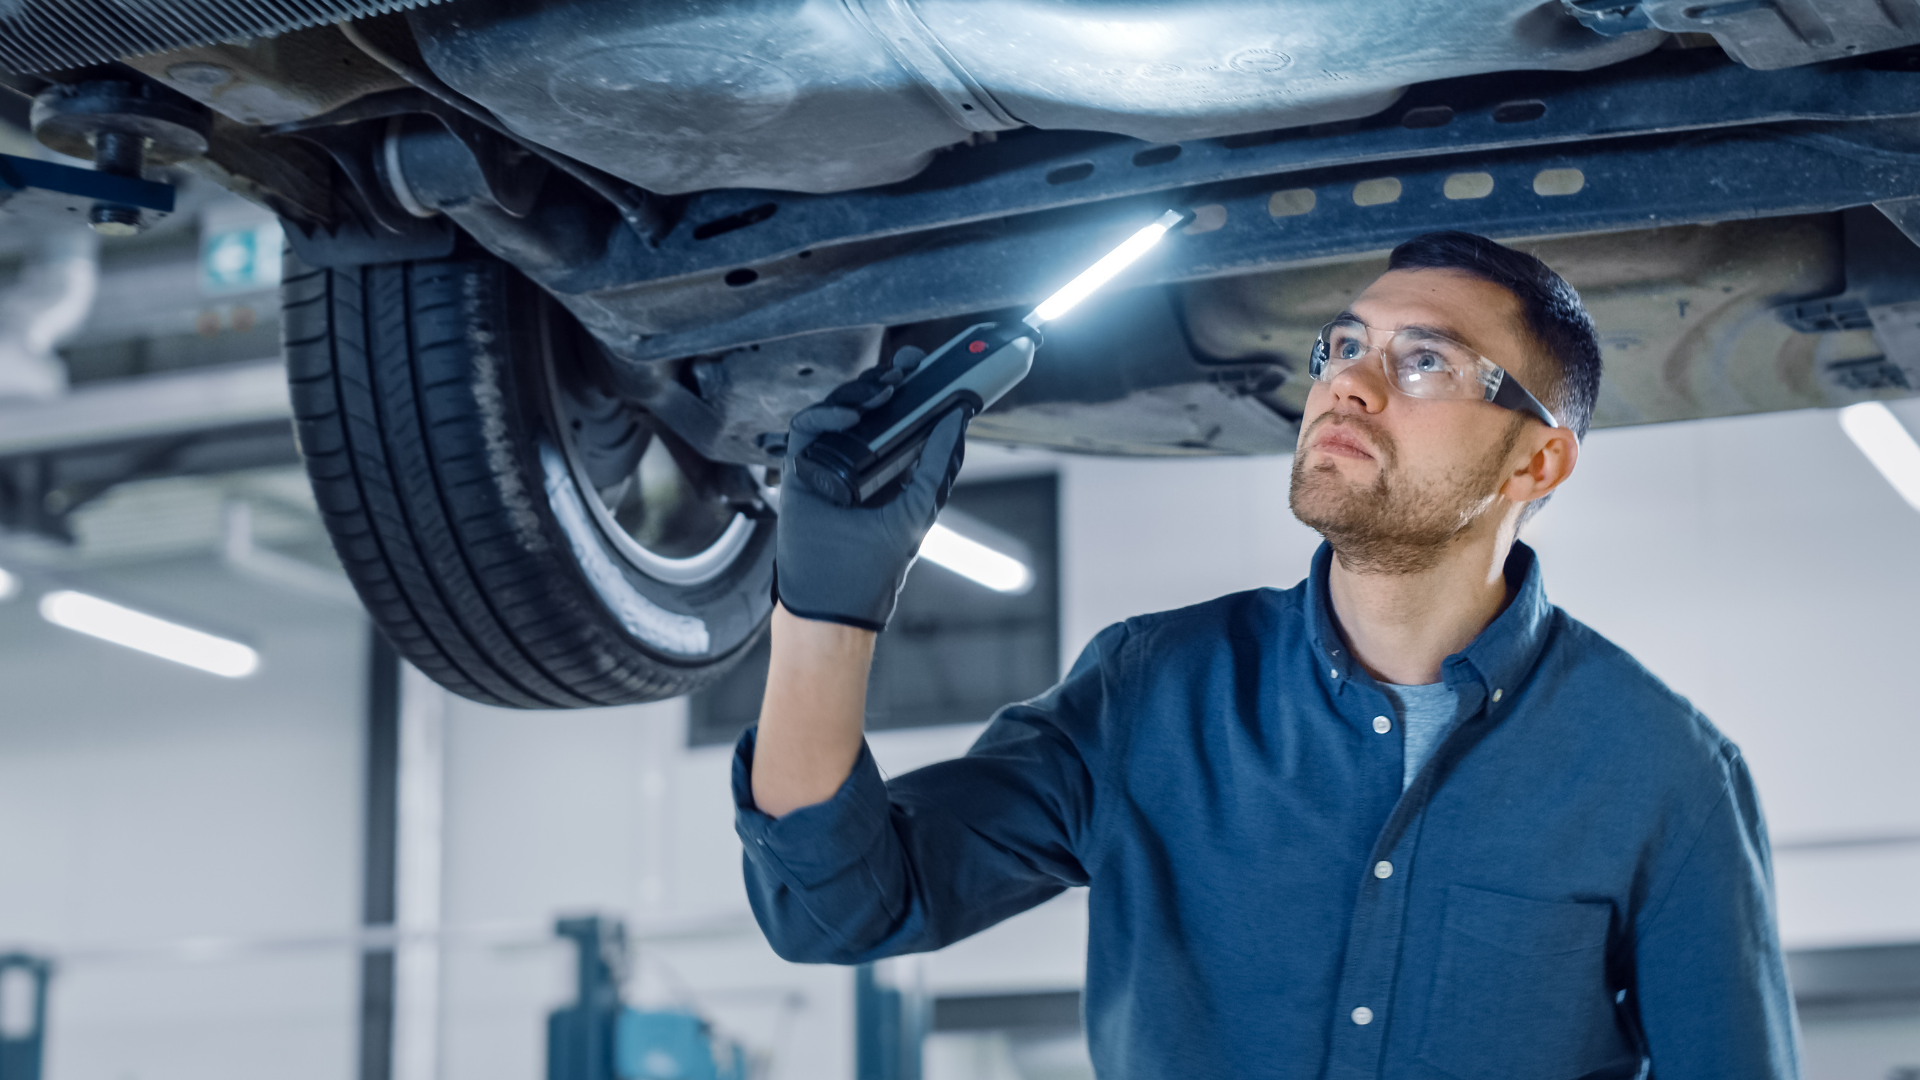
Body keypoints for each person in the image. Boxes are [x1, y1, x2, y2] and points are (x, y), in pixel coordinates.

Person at [735, 231, 1800, 1079]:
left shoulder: (1663, 777)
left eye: (1423, 361)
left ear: (1537, 458)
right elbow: (839, 907)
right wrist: (826, 608)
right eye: (1341, 347)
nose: (1351, 384)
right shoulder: (1152, 694)